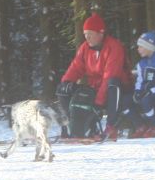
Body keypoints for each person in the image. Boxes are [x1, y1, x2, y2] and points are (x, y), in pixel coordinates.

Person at [56, 12, 133, 141]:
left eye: (90, 34)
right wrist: (65, 83)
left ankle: (111, 126)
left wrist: (98, 102)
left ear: (100, 33)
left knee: (113, 84)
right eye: (85, 34)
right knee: (63, 89)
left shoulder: (114, 47)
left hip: (117, 90)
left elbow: (110, 76)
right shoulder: (85, 48)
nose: (87, 37)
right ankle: (74, 127)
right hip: (95, 88)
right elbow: (75, 68)